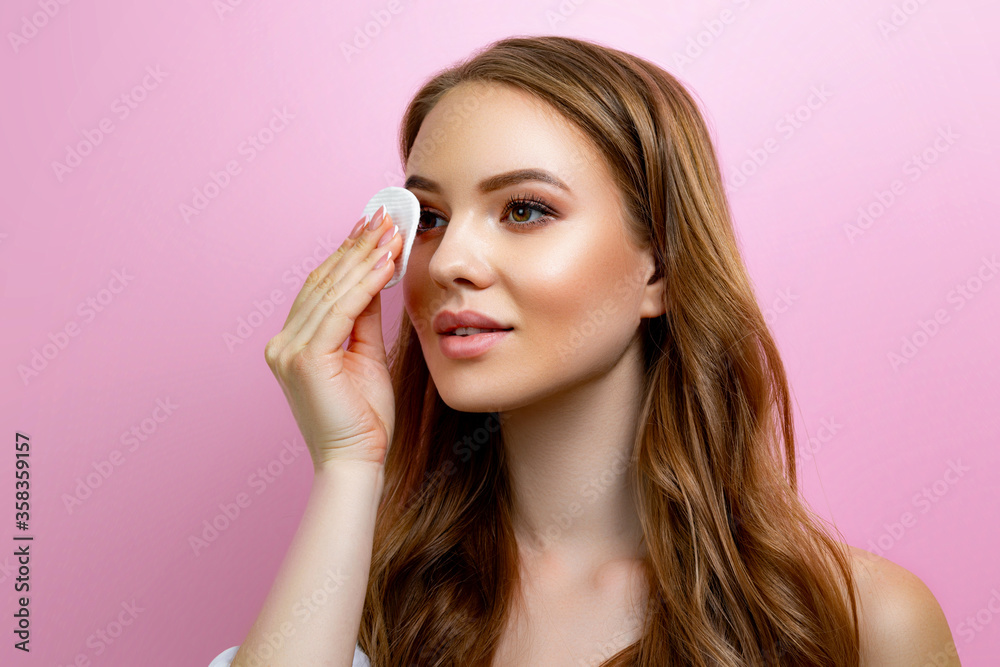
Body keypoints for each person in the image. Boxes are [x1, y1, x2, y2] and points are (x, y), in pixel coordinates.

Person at [212, 35, 960, 666]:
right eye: (431, 217)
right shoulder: (350, 600)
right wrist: (347, 464)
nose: (446, 263)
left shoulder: (863, 622)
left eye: (525, 209)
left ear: (659, 267)